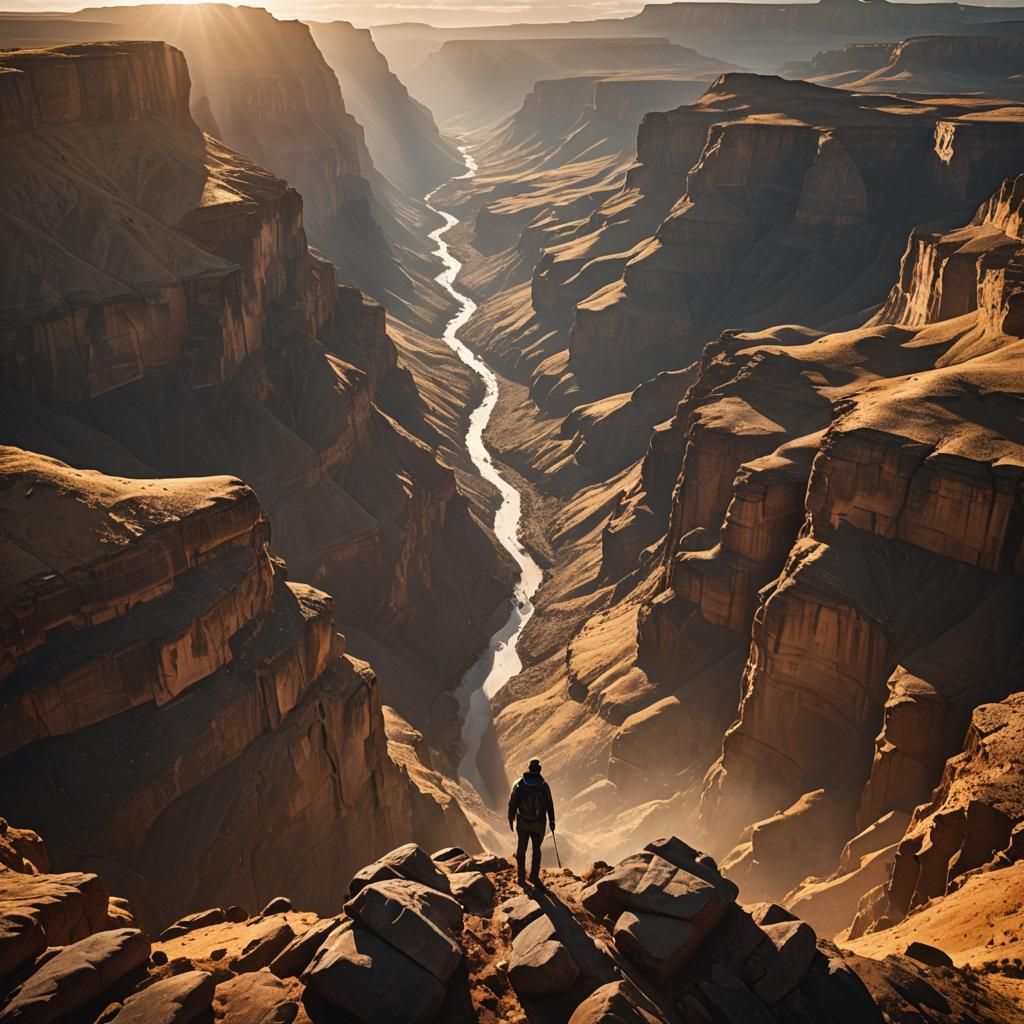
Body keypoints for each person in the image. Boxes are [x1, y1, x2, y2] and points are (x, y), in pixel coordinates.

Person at [508, 757, 555, 887]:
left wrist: (511, 819)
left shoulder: (520, 784)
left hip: (522, 823)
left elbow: (512, 803)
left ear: (529, 769)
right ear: (539, 770)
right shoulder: (543, 786)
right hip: (539, 824)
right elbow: (550, 805)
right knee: (536, 850)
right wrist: (552, 821)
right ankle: (534, 877)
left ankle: (521, 878)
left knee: (521, 849)